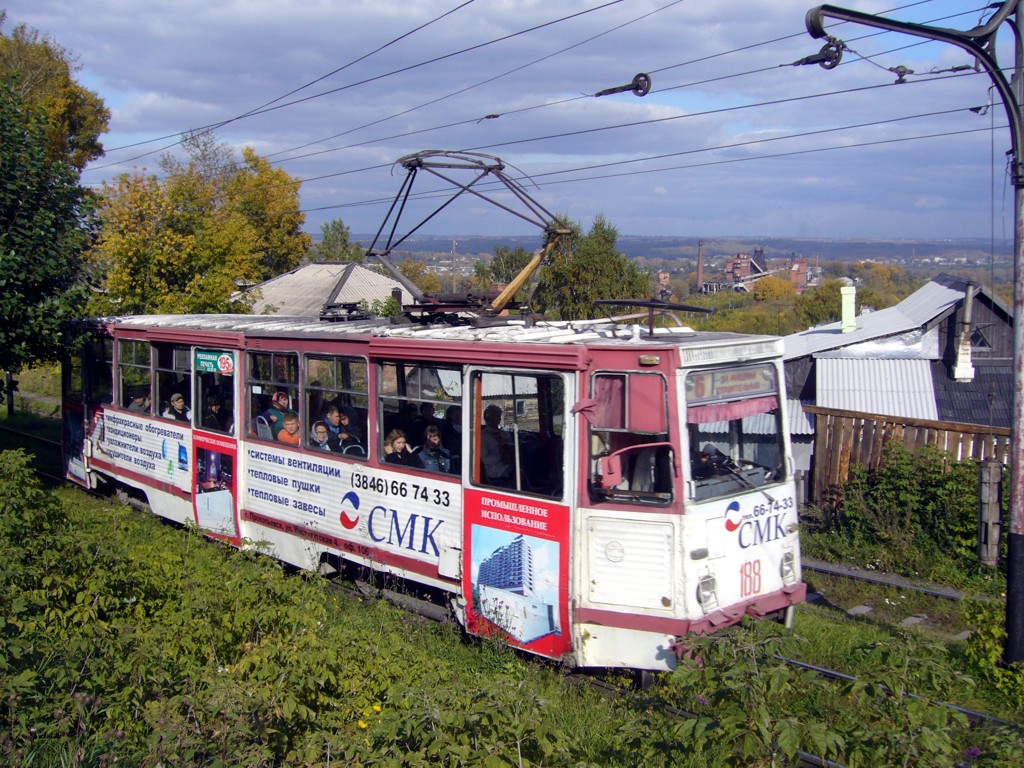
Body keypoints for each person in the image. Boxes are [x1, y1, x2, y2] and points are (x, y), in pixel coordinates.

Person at [481, 404, 513, 485]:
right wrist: (501, 455)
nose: (499, 419)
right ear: (489, 418)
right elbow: (485, 459)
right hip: (495, 469)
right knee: (519, 472)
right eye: (496, 416)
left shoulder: (503, 433)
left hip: (508, 463)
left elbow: (511, 446)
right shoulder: (483, 436)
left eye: (499, 416)